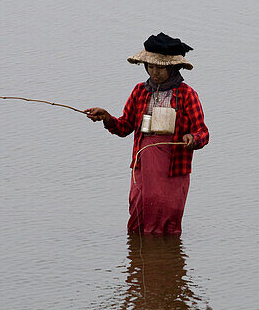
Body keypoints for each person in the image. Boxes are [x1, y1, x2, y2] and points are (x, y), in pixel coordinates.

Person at [85, 33, 210, 235]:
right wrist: (107, 118)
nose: (154, 72)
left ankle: (166, 259)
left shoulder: (187, 94)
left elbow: (203, 132)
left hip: (172, 169)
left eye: (160, 68)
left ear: (173, 67)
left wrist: (192, 139)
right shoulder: (139, 92)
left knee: (168, 215)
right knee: (138, 212)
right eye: (151, 67)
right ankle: (142, 258)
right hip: (143, 165)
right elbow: (124, 127)